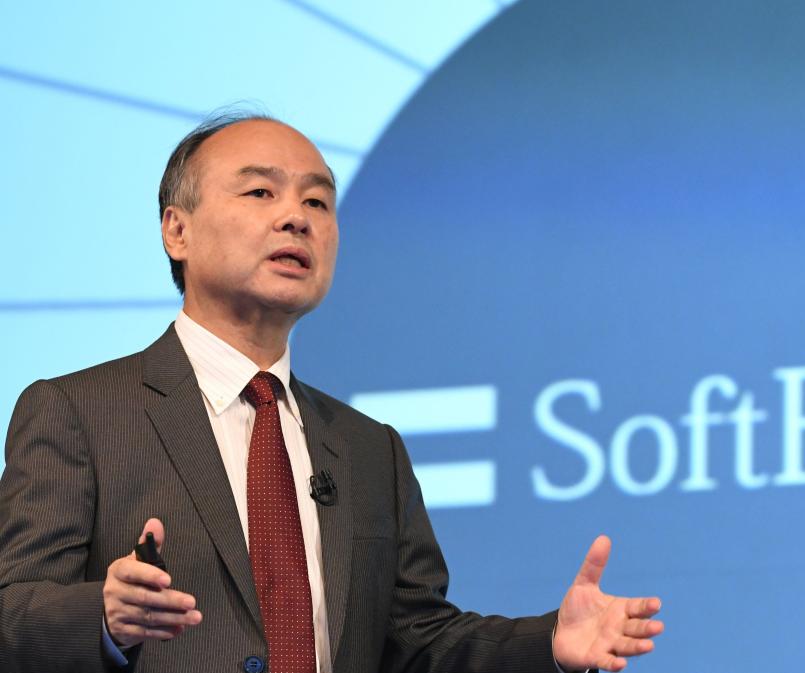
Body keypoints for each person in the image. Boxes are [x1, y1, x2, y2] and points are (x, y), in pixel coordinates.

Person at [0, 112, 664, 673]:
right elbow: (11, 612)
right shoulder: (79, 413)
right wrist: (106, 618)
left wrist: (546, 641)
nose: (296, 217)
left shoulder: (369, 450)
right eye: (261, 193)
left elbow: (417, 640)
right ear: (178, 229)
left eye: (317, 201)